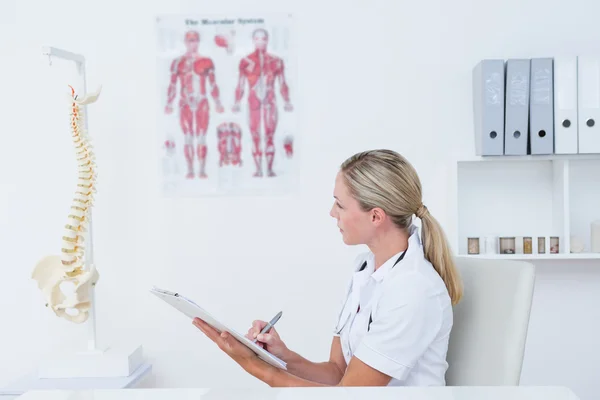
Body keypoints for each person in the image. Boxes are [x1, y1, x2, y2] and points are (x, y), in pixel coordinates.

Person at [193, 149, 463, 387]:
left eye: (340, 204)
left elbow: (350, 395)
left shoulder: (413, 289)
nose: (332, 213)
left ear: (376, 216)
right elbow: (338, 374)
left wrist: (253, 365)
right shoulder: (365, 269)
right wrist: (280, 356)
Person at [231, 28, 293, 178]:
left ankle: (270, 169)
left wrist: (286, 100)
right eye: (258, 39)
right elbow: (240, 84)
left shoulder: (276, 62)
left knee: (269, 135)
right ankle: (258, 169)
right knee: (256, 136)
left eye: (263, 39)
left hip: (270, 103)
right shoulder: (246, 62)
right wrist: (237, 102)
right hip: (253, 103)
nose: (261, 42)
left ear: (267, 40)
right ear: (253, 40)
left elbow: (282, 83)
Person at [165, 30, 224, 179]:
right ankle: (190, 170)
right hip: (185, 103)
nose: (193, 43)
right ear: (185, 42)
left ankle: (202, 169)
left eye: (195, 40)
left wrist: (217, 102)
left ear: (199, 42)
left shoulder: (207, 61)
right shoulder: (177, 62)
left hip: (202, 102)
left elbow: (212, 84)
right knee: (188, 137)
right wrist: (169, 103)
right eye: (190, 40)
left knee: (202, 136)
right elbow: (172, 85)